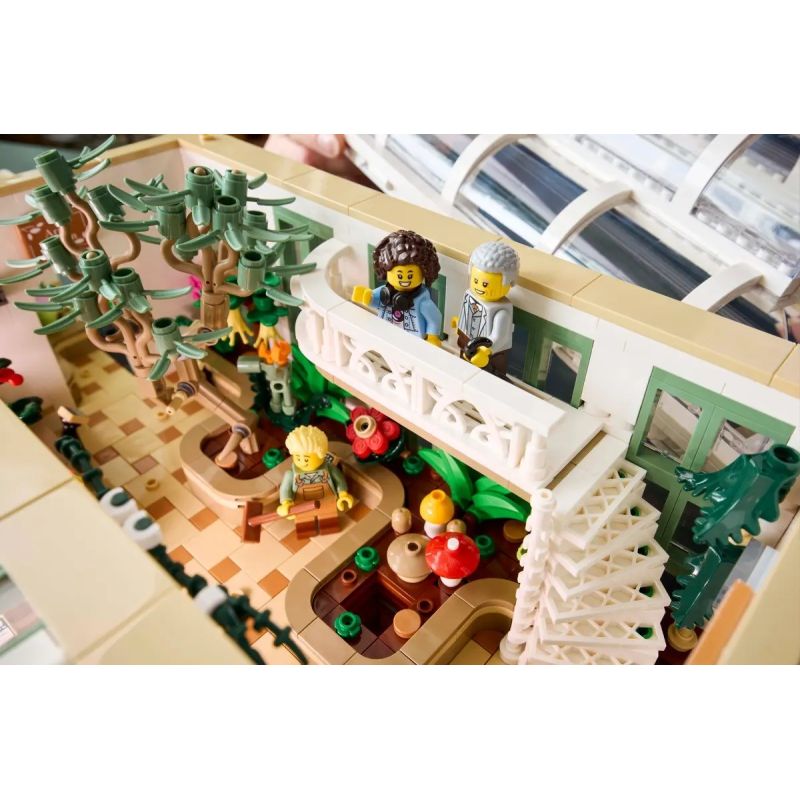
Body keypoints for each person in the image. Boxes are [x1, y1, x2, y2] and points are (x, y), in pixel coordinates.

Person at [351, 229, 443, 344]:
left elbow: (435, 318)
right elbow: (375, 300)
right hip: (386, 333)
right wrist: (366, 296)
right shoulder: (385, 293)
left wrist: (433, 337)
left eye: (410, 276)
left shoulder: (422, 302)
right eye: (399, 275)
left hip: (413, 341)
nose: (404, 280)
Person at [452, 241, 520, 379]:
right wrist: (460, 322)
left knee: (487, 378)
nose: (479, 287)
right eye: (476, 281)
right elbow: (469, 315)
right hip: (466, 341)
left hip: (490, 354)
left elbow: (500, 337)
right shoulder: (470, 296)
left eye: (485, 284)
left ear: (507, 281)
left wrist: (487, 351)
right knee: (463, 370)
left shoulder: (502, 312)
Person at [277, 425, 355, 538]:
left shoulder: (330, 469)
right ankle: (306, 530)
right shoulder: (291, 474)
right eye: (298, 458)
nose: (302, 462)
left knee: (328, 520)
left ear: (321, 454)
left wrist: (343, 494)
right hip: (302, 505)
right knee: (305, 523)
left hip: (326, 500)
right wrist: (286, 503)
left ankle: (328, 528)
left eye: (306, 459)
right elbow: (285, 489)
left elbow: (339, 480)